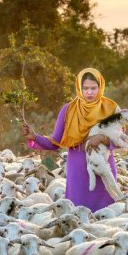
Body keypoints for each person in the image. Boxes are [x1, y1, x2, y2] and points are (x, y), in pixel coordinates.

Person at [22, 67, 119, 212]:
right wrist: (34, 137)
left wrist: (102, 138)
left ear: (101, 86)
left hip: (103, 166)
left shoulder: (111, 108)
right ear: (79, 88)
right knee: (78, 213)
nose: (89, 92)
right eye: (85, 88)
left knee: (108, 215)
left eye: (94, 88)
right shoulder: (68, 110)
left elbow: (120, 139)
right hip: (77, 168)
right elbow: (55, 142)